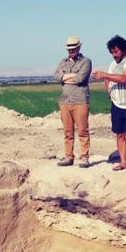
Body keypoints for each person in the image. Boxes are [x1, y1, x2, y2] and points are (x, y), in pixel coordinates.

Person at [92, 35, 126, 172]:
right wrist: (109, 93)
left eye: (116, 51)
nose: (114, 55)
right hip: (116, 105)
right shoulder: (112, 64)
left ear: (122, 49)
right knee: (120, 134)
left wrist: (104, 75)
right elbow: (108, 80)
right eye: (111, 52)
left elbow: (124, 78)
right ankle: (123, 163)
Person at [54, 36, 92, 168]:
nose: (71, 51)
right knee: (67, 132)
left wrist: (65, 77)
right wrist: (68, 77)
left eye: (74, 48)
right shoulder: (63, 62)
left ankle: (84, 158)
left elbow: (80, 78)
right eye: (69, 49)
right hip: (65, 101)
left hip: (80, 101)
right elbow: (56, 76)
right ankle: (69, 157)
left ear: (79, 47)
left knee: (82, 130)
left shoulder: (86, 62)